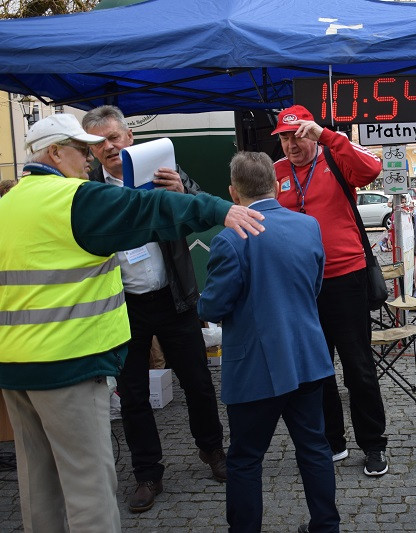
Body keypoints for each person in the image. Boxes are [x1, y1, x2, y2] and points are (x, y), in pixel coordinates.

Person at [0, 114, 264, 533]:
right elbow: (150, 207)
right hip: (69, 362)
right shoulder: (75, 197)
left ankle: (211, 450)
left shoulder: (8, 203)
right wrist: (219, 208)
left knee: (39, 485)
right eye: (82, 149)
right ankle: (148, 472)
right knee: (89, 487)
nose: (89, 159)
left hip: (15, 369)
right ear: (54, 152)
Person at [82, 105, 227, 512]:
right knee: (132, 395)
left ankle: (213, 450)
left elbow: (202, 211)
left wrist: (183, 192)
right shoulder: (88, 189)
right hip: (122, 304)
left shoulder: (162, 170)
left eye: (115, 137)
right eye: (99, 142)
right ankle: (147, 473)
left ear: (129, 137)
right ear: (92, 150)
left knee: (197, 381)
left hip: (172, 295)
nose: (110, 147)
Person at [198, 152, 339, 533]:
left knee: (245, 458)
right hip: (307, 356)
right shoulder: (308, 226)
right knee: (314, 448)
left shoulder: (231, 239)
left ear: (232, 192)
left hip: (255, 366)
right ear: (276, 186)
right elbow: (315, 285)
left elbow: (214, 304)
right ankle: (326, 526)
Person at [272, 105, 389, 477]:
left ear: (310, 133)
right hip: (302, 285)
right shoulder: (276, 173)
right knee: (316, 369)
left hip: (346, 277)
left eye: (297, 135)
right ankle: (332, 441)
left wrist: (326, 135)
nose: (291, 143)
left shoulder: (334, 158)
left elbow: (371, 169)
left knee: (358, 367)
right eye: (285, 137)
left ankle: (373, 445)